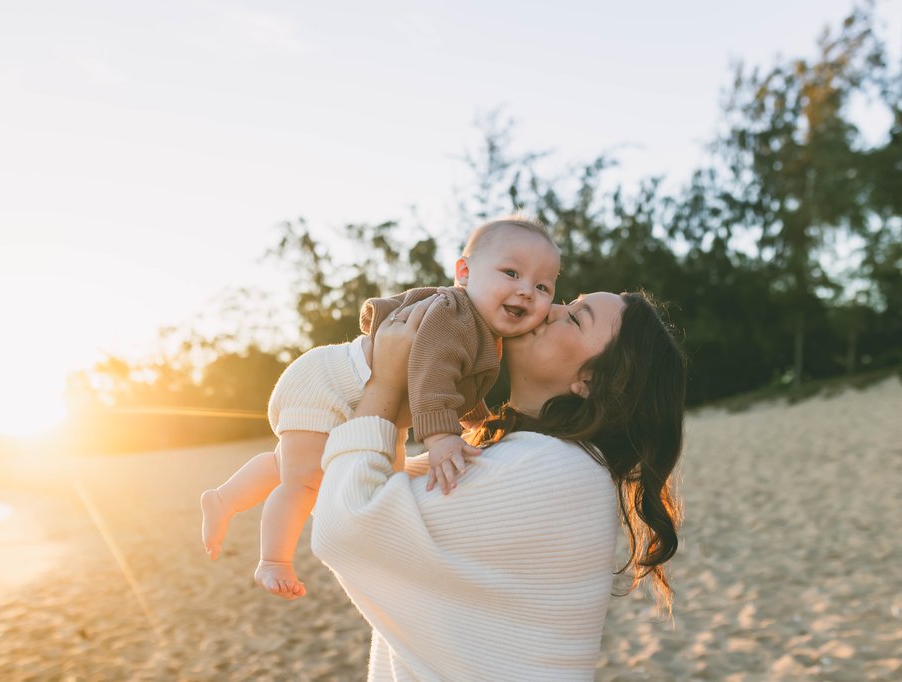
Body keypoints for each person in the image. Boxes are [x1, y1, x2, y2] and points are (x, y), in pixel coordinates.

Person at [311, 290, 686, 681]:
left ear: (589, 381)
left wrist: (384, 383)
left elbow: (344, 523)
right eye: (566, 303)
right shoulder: (520, 455)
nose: (549, 309)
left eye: (575, 318)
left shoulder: (555, 469)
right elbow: (346, 490)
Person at [200, 218, 562, 599]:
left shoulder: (481, 331)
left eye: (542, 286)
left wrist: (482, 423)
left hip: (357, 396)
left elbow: (460, 388)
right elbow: (432, 373)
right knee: (306, 479)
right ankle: (273, 560)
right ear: (465, 272)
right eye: (511, 273)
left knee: (302, 466)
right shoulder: (454, 314)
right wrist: (440, 437)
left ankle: (223, 499)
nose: (525, 292)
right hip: (329, 385)